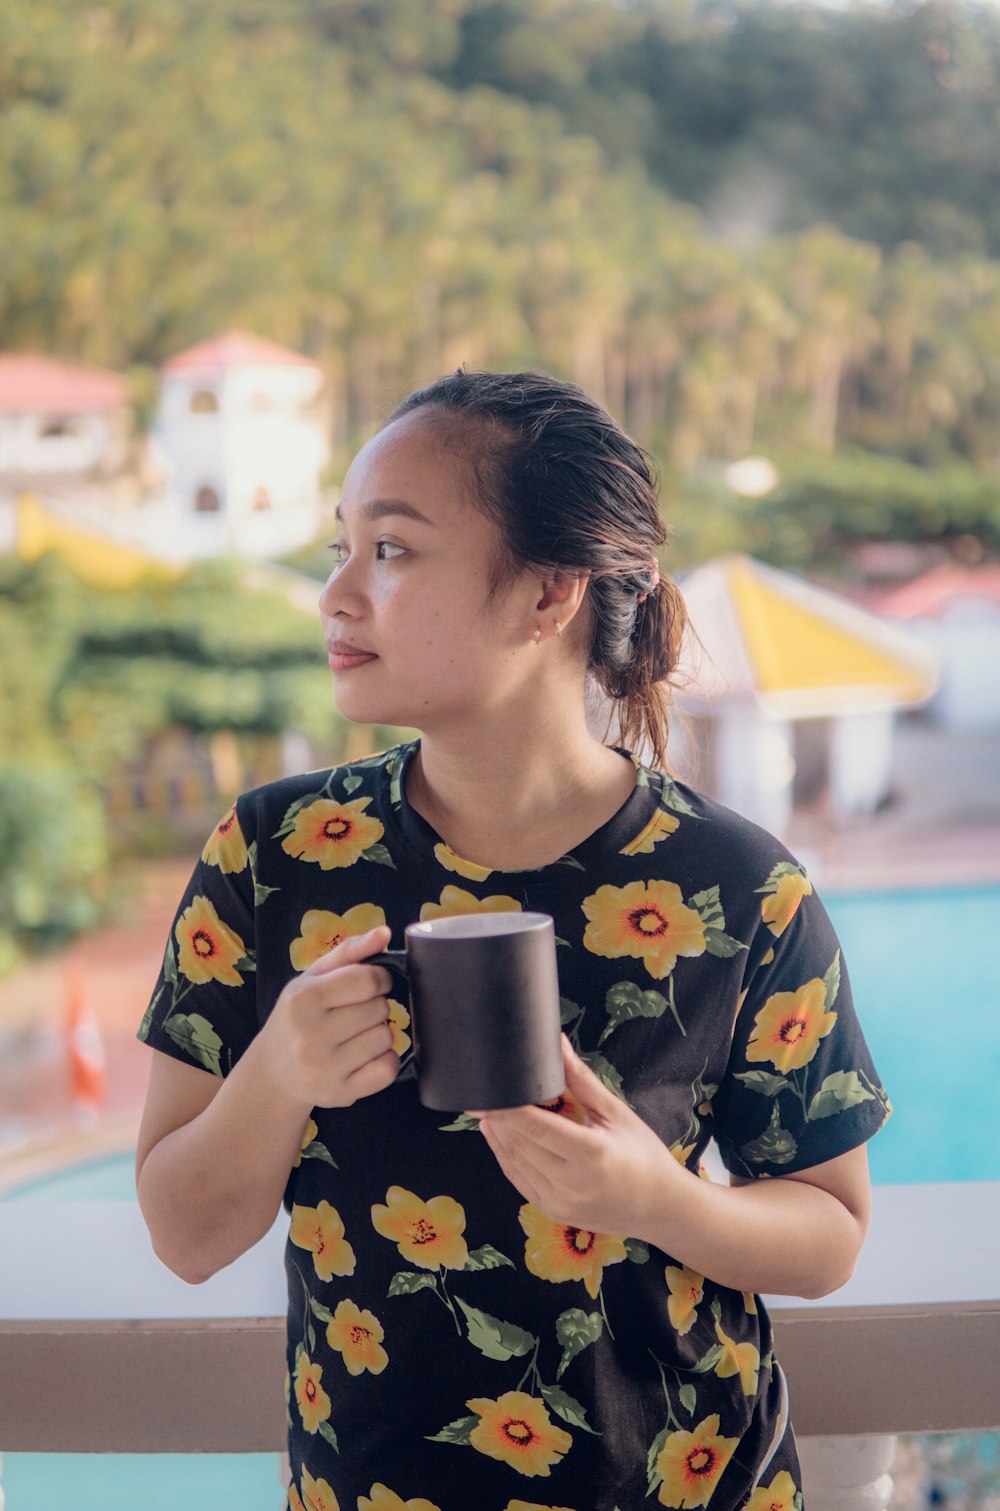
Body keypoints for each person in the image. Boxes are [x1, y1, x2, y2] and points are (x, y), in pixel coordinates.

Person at [135, 370, 891, 1511]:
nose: (336, 593)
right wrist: (281, 1068)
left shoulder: (739, 886)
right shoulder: (271, 856)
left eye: (389, 550)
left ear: (547, 594)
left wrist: (657, 1198)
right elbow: (185, 1234)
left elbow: (829, 1229)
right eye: (343, 547)